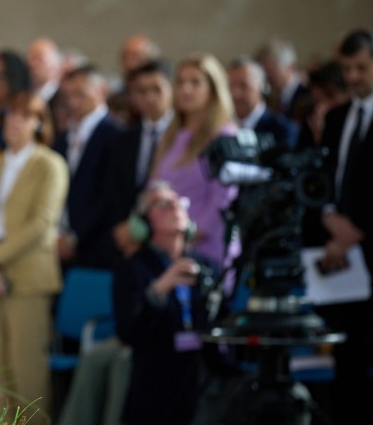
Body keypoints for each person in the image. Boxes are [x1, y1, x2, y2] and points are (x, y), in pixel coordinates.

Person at [114, 182, 248, 425]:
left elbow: (225, 324)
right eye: (162, 204)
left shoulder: (206, 265)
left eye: (179, 202)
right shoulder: (134, 268)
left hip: (211, 381)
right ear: (143, 223)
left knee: (285, 400)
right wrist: (160, 288)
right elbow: (129, 333)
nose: (175, 208)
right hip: (167, 396)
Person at [0, 91, 68, 425]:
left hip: (27, 272)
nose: (15, 122)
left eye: (25, 116)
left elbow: (42, 223)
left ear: (40, 124)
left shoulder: (50, 164)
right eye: (11, 114)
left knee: (27, 369)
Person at [314, 27, 373, 425]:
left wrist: (358, 229)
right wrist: (329, 219)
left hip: (367, 251)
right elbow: (324, 181)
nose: (352, 77)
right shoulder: (335, 118)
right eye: (347, 68)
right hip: (339, 260)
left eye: (361, 68)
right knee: (346, 359)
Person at [150, 53, 238, 268]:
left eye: (195, 82)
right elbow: (155, 187)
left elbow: (223, 199)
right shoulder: (170, 135)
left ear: (213, 89)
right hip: (167, 247)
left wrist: (190, 234)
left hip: (206, 251)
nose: (186, 89)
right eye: (180, 82)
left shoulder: (224, 137)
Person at [54, 65, 125, 271]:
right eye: (67, 96)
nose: (72, 102)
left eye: (80, 94)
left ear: (101, 91)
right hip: (57, 248)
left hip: (98, 249)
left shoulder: (117, 136)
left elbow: (110, 197)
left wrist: (76, 237)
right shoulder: (61, 140)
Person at [111, 59, 174, 257]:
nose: (149, 97)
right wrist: (125, 228)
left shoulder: (184, 137)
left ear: (171, 90)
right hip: (129, 243)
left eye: (156, 89)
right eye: (142, 91)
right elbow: (116, 191)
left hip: (170, 236)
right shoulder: (123, 138)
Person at [226, 56, 298, 149]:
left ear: (262, 87)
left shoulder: (283, 129)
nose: (235, 93)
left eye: (244, 86)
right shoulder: (220, 127)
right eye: (230, 86)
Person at [254, 37, 310, 126]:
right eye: (265, 74)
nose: (268, 79)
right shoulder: (268, 98)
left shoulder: (308, 95)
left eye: (272, 72)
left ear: (290, 67)